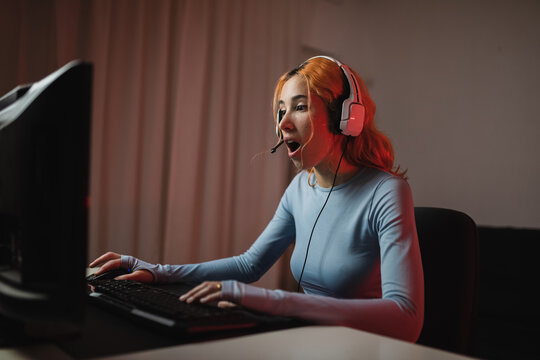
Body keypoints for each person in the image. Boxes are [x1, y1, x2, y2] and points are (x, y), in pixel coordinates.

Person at [90, 56, 424, 342]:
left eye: (300, 107)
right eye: (281, 111)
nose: (283, 123)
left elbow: (406, 317)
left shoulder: (386, 192)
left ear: (345, 118)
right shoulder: (299, 189)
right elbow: (249, 265)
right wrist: (158, 272)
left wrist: (272, 301)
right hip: (307, 341)